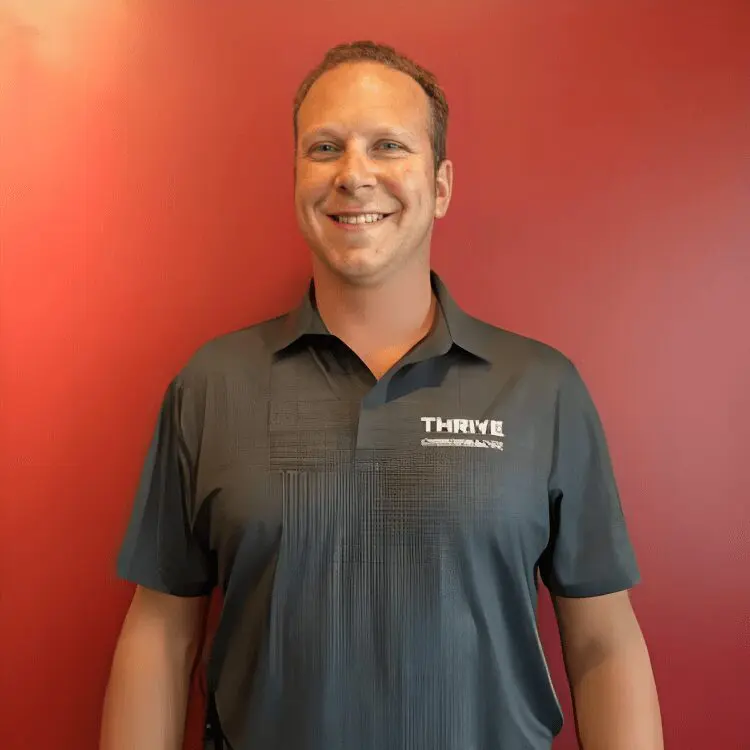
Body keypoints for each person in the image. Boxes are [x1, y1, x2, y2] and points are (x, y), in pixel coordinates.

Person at [100, 40, 663, 750]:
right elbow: (160, 634)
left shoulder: (541, 391)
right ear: (296, 176)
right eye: (325, 147)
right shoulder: (211, 386)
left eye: (389, 145)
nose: (354, 175)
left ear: (443, 185)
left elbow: (603, 646)